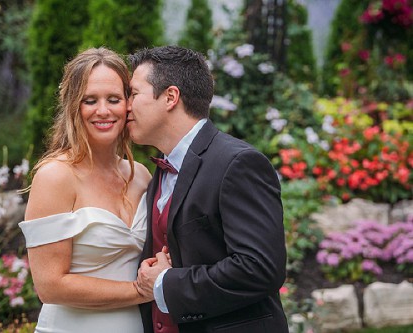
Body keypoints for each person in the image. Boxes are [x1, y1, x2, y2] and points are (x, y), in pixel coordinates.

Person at [127, 45, 289, 333]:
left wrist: (167, 284)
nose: (126, 106)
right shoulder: (160, 169)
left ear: (170, 97)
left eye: (134, 94)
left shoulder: (237, 163)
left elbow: (260, 268)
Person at [18, 47, 154, 333]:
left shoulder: (140, 175)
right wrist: (142, 291)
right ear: (73, 107)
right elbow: (50, 286)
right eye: (90, 100)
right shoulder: (55, 176)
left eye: (114, 99)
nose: (103, 111)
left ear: (128, 104)